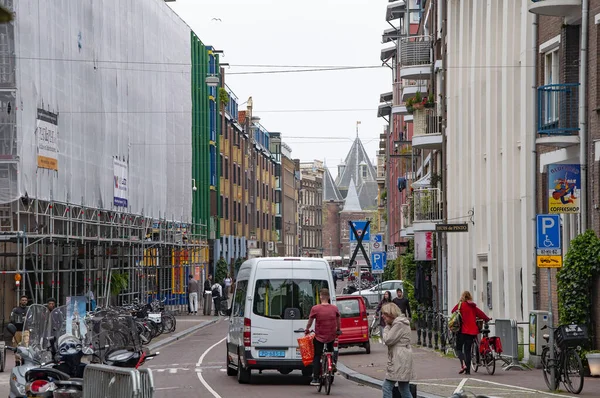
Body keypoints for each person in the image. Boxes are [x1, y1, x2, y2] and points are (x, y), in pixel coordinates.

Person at [304, 288, 341, 386]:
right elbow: (338, 321)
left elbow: (310, 321)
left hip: (319, 336)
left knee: (317, 355)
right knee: (331, 350)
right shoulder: (334, 308)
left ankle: (315, 378)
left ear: (320, 297)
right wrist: (338, 330)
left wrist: (307, 329)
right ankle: (332, 364)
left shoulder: (315, 308)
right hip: (331, 335)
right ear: (328, 297)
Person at [451, 291, 491, 375]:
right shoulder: (473, 306)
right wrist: (487, 318)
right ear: (470, 297)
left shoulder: (460, 305)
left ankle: (464, 365)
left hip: (462, 331)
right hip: (472, 332)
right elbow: (481, 314)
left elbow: (452, 311)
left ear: (462, 297)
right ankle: (468, 371)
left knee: (458, 349)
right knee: (467, 351)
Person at [381, 303, 414, 398]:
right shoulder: (401, 323)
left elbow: (388, 340)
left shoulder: (398, 324)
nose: (383, 316)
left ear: (390, 313)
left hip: (399, 359)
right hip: (402, 357)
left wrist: (387, 327)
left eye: (384, 314)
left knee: (386, 387)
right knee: (404, 388)